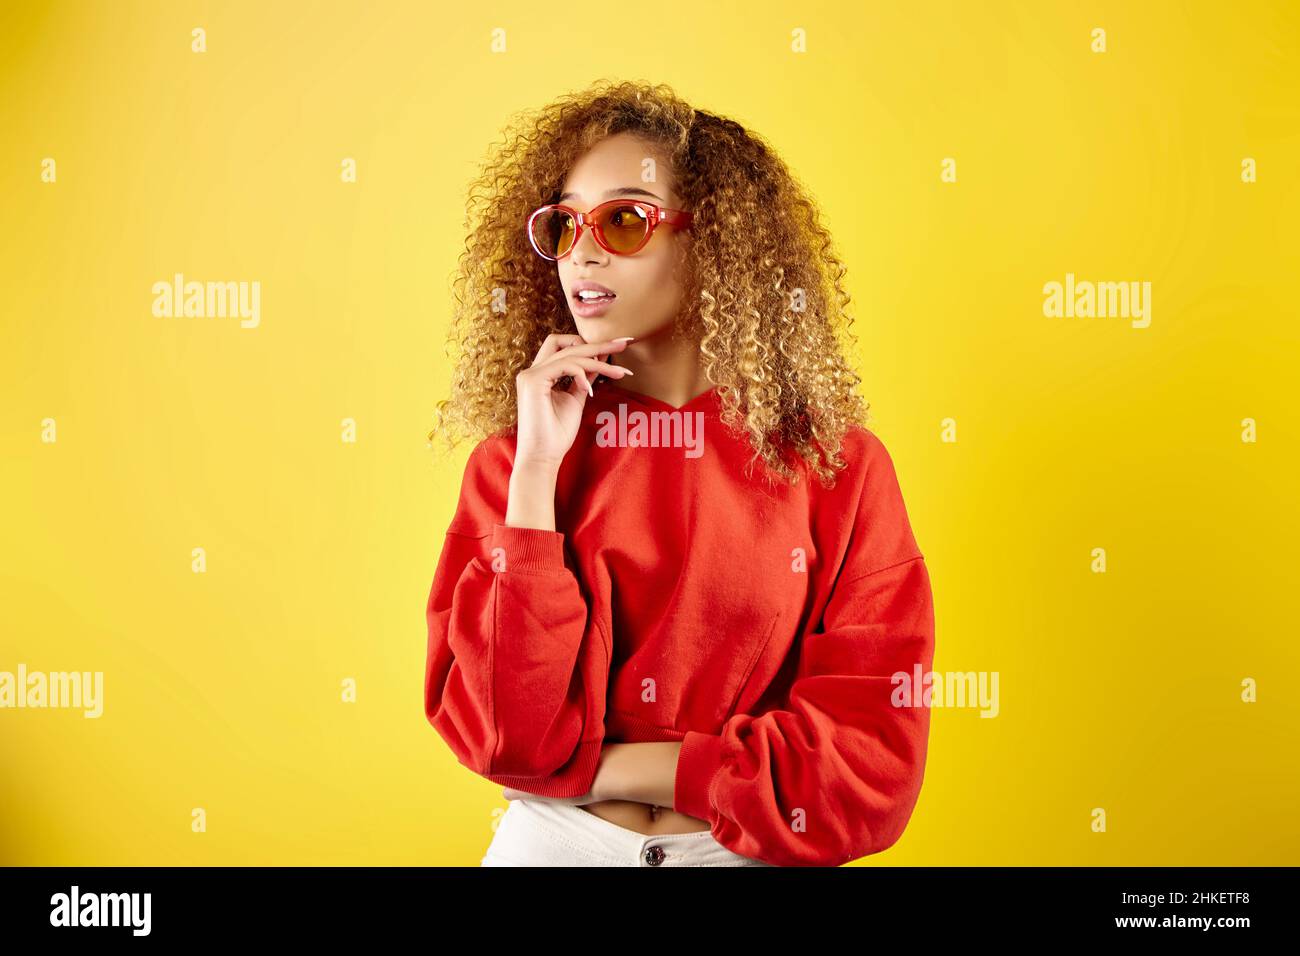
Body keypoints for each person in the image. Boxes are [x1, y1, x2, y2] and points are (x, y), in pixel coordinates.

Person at [424, 80, 936, 867]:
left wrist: (623, 769)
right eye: (563, 225)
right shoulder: (517, 459)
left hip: (745, 853)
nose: (583, 253)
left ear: (717, 244)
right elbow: (503, 736)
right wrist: (533, 474)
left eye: (624, 220)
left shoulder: (839, 468)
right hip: (555, 848)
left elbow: (868, 772)